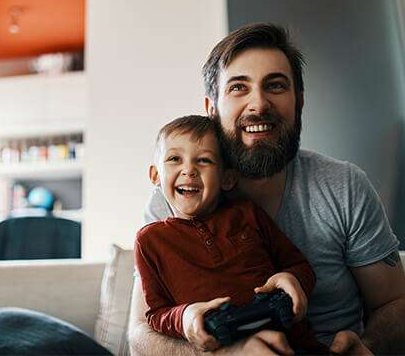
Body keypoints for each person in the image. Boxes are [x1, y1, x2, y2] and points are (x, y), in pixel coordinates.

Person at [129, 23, 405, 356]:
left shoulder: (345, 186)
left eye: (275, 85)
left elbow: (394, 302)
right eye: (238, 88)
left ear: (299, 101)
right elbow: (141, 335)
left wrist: (369, 347)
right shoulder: (174, 198)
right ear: (211, 108)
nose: (258, 104)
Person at [134, 115, 328, 354]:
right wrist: (184, 317)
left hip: (293, 342)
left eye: (204, 160)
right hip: (225, 344)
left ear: (227, 178)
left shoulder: (247, 214)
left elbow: (299, 264)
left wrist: (293, 279)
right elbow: (155, 314)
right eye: (174, 159)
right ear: (155, 176)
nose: (189, 170)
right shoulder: (149, 241)